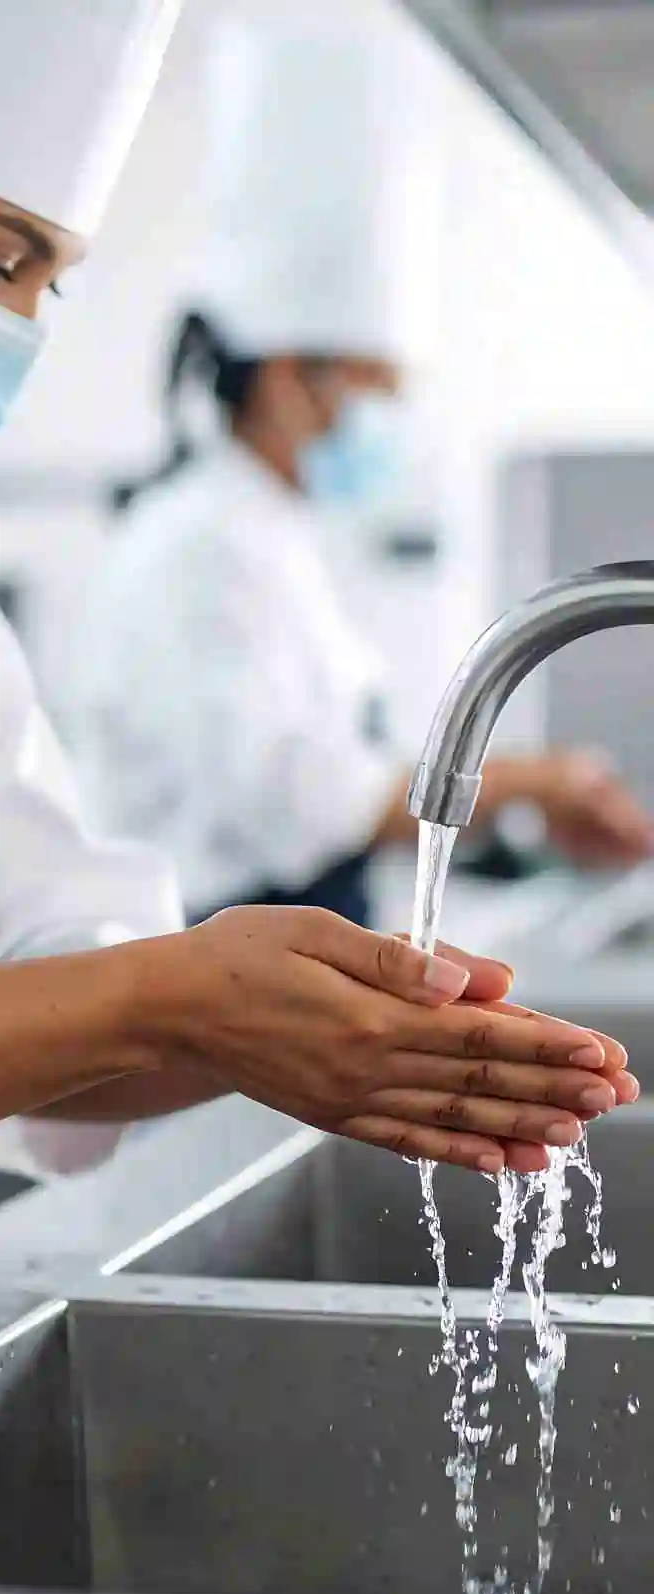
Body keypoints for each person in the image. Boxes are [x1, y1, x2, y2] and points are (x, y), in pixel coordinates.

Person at [0, 0, 633, 1402]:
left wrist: (293, 1024)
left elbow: (68, 963)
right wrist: (157, 1000)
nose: (21, 329)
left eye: (50, 284)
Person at [66, 8, 652, 931]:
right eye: (380, 386)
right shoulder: (198, 550)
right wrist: (536, 780)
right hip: (211, 961)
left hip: (287, 934)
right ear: (294, 375)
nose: (395, 422)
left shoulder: (277, 534)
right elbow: (296, 800)